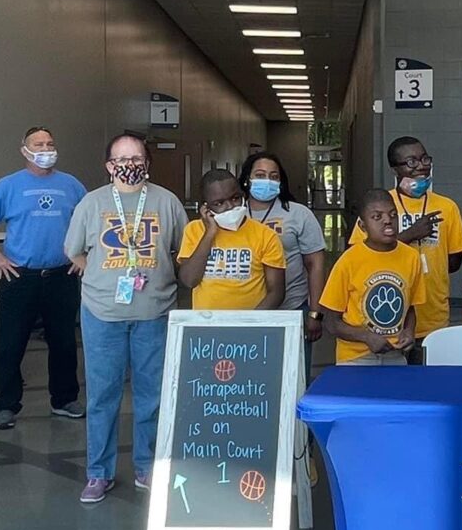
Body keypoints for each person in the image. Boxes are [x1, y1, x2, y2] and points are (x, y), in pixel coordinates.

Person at [64, 134, 187, 504]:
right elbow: (73, 251)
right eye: (121, 158)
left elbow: (184, 251)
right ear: (109, 166)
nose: (129, 164)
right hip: (103, 313)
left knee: (152, 396)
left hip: (155, 312)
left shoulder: (167, 202)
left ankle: (147, 467)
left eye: (136, 157)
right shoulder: (92, 203)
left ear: (147, 162)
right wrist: (101, 275)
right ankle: (98, 473)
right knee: (103, 396)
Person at [0, 126, 88, 430]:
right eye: (39, 143)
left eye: (50, 142)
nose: (46, 148)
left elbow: (93, 221)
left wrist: (83, 255)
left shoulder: (72, 185)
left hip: (61, 276)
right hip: (19, 276)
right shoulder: (8, 186)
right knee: (10, 344)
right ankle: (5, 405)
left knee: (64, 342)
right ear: (24, 149)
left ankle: (64, 400)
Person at [350, 137, 462, 363]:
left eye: (424, 159)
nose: (421, 166)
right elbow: (358, 256)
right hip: (388, 323)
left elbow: (454, 262)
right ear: (395, 169)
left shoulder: (447, 207)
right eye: (411, 162)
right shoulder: (380, 205)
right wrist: (410, 235)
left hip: (434, 315)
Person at [239, 152, 325, 373]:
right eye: (260, 174)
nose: (267, 180)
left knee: (292, 375)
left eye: (273, 176)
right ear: (247, 179)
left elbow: (315, 264)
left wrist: (314, 313)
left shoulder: (298, 214)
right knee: (248, 376)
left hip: (292, 308)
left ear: (280, 181)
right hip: (243, 311)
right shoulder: (233, 214)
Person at [319, 189, 423, 366]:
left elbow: (410, 307)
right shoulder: (349, 261)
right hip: (355, 358)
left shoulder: (411, 257)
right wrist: (367, 337)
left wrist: (409, 331)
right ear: (362, 226)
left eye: (392, 215)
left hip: (395, 354)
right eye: (377, 217)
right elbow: (331, 322)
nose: (387, 221)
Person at [177, 170, 286, 312]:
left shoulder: (266, 235)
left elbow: (276, 293)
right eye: (219, 203)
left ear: (243, 196)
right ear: (206, 208)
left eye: (235, 198)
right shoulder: (194, 230)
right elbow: (189, 280)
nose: (229, 206)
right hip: (207, 323)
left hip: (250, 325)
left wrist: (248, 323)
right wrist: (210, 233)